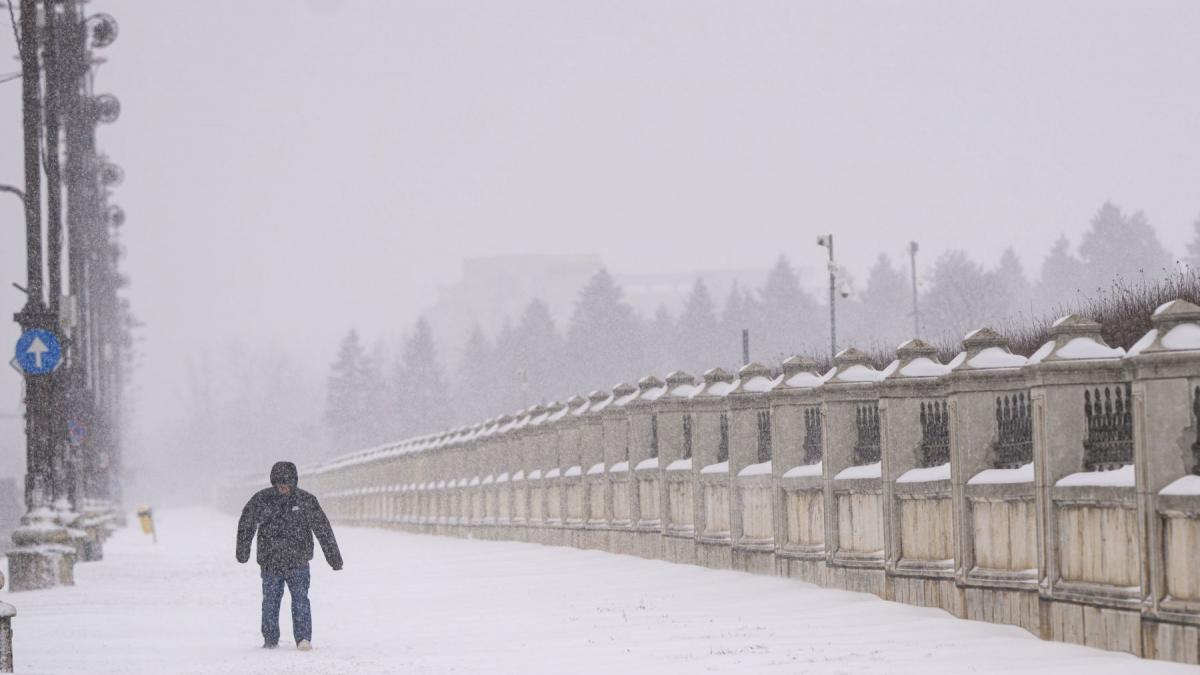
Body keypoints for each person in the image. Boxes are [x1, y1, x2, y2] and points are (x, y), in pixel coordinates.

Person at [236, 461, 343, 651]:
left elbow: (323, 529)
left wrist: (334, 558)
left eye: (286, 482)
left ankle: (303, 638)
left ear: (294, 482)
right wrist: (243, 551)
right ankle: (270, 638)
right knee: (270, 601)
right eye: (279, 482)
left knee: (300, 599)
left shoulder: (306, 501)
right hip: (271, 562)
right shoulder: (262, 500)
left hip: (298, 561)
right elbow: (247, 524)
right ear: (274, 482)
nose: (283, 486)